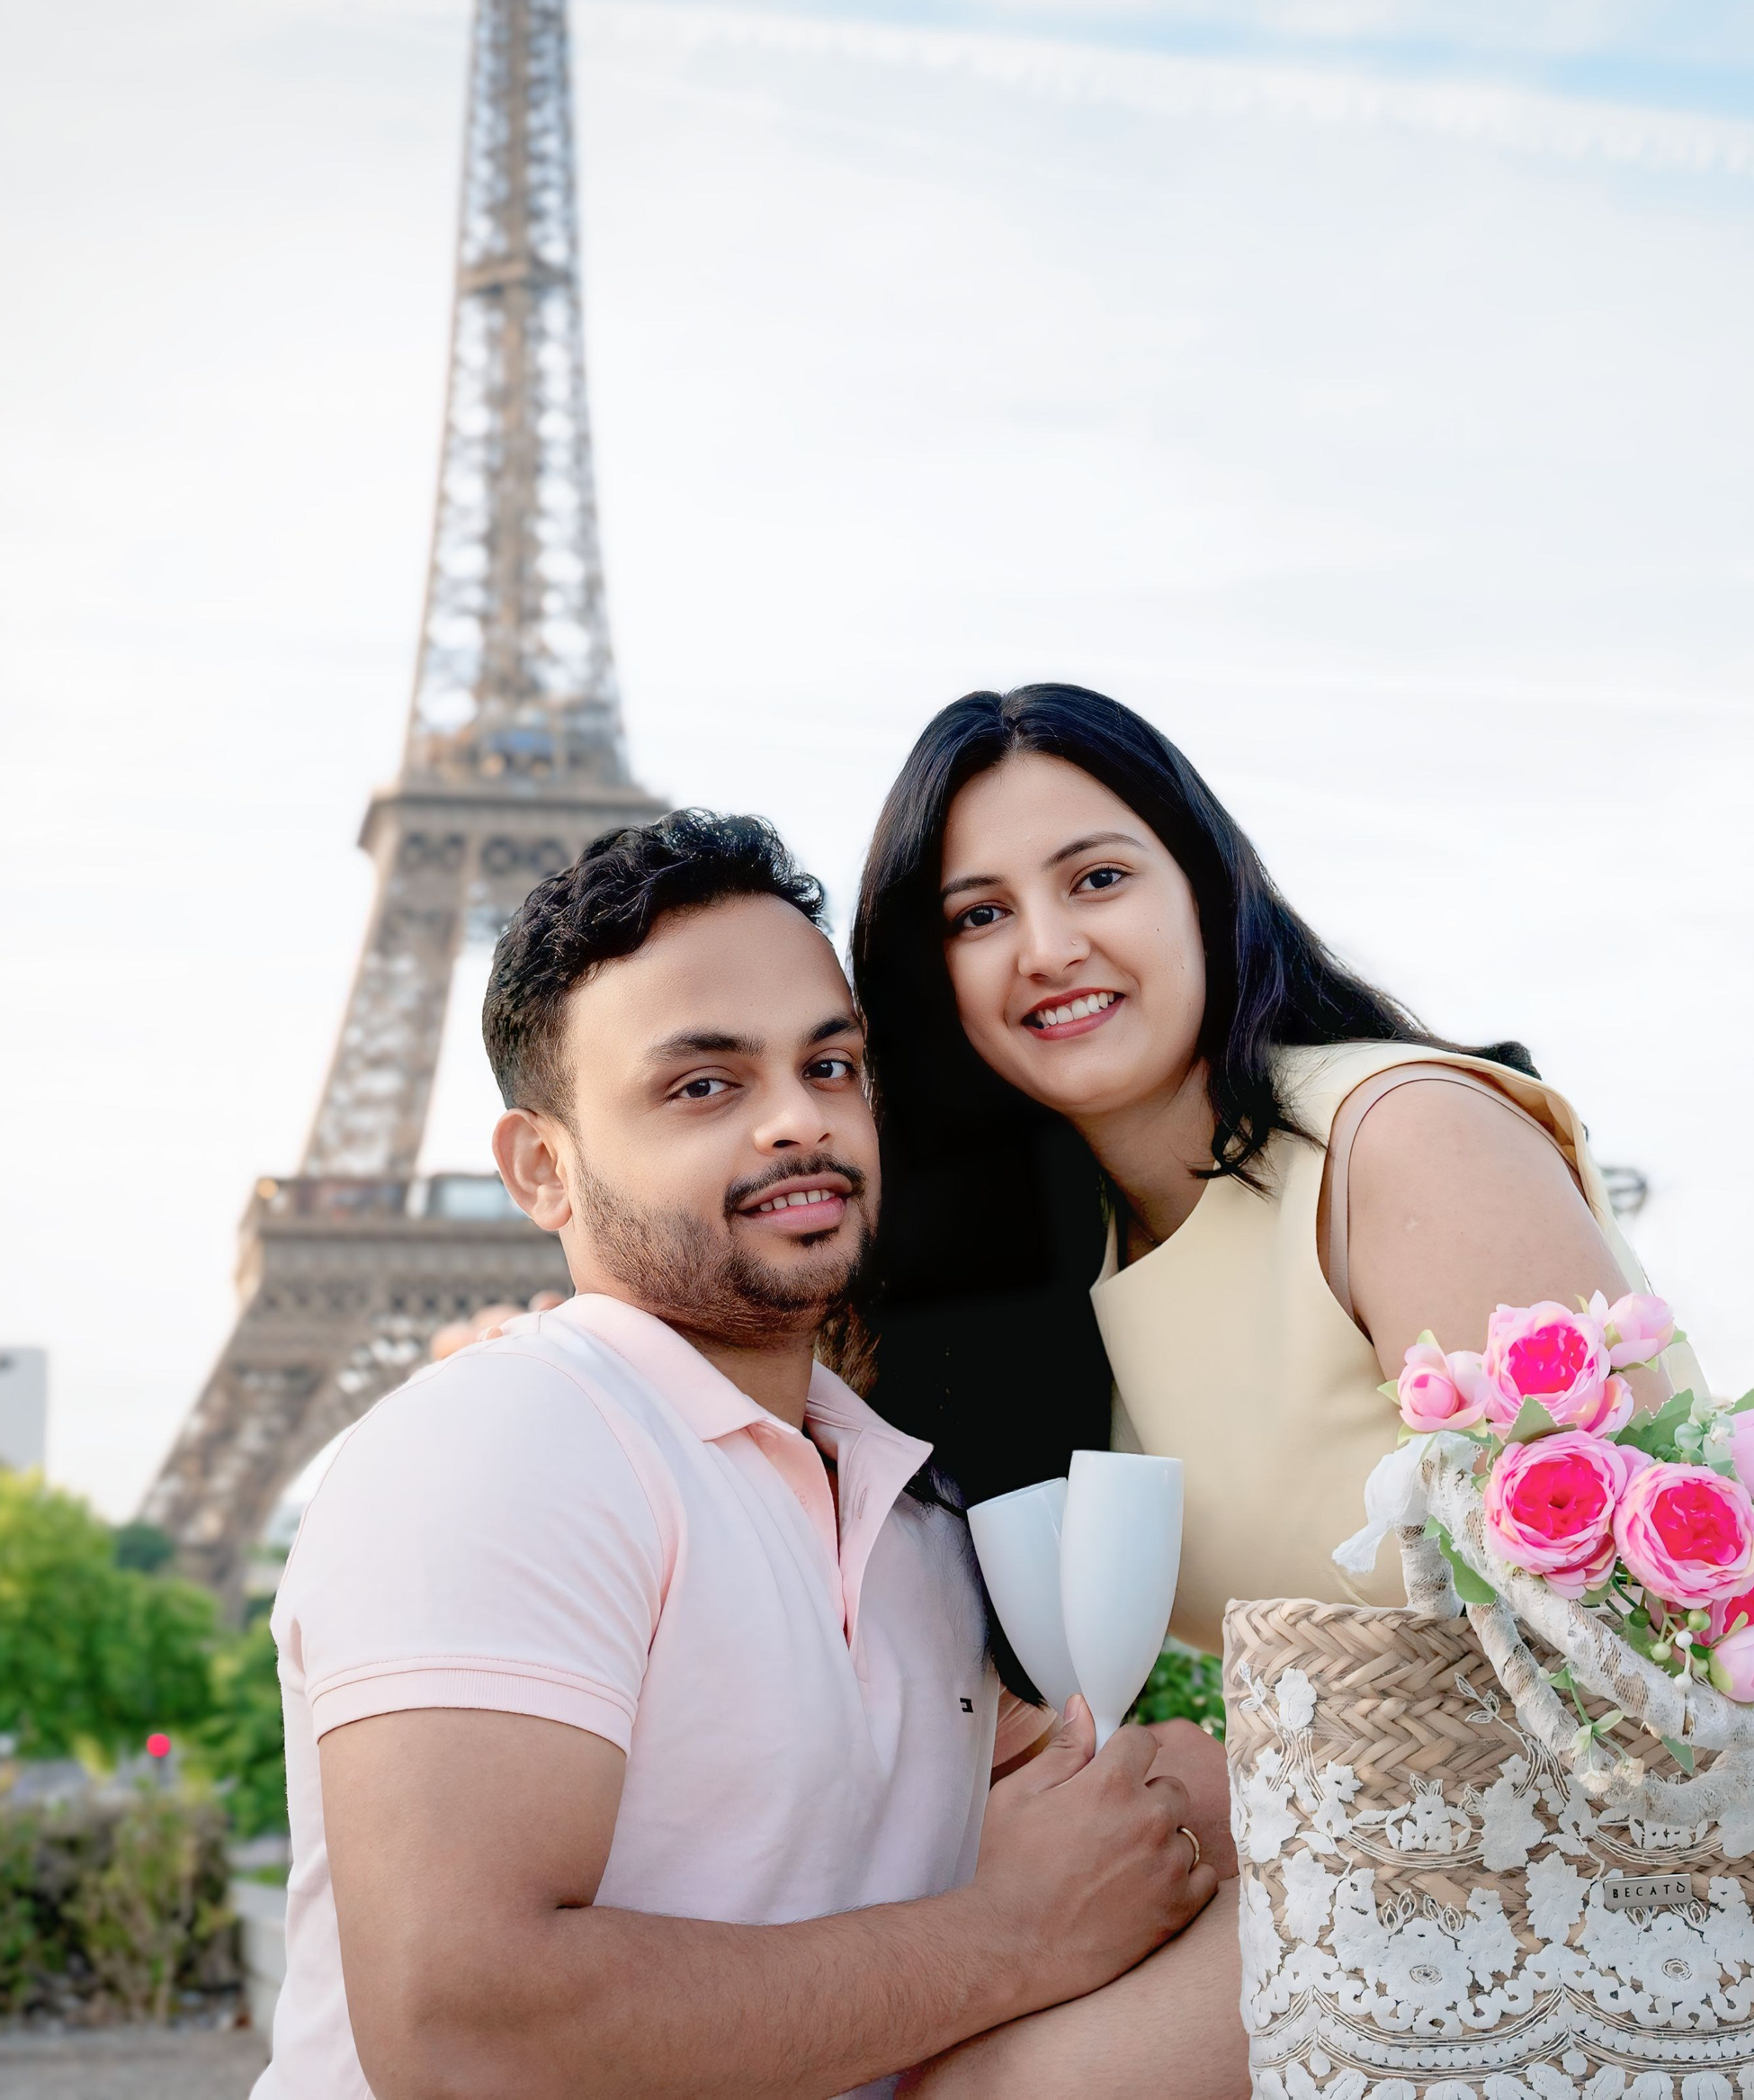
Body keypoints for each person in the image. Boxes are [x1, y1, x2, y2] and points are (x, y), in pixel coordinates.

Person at [254, 809, 1217, 2100]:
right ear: (543, 1169)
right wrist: (1015, 1937)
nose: (795, 1123)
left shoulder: (910, 1506)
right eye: (705, 1085)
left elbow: (1083, 1821)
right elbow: (470, 2036)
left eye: (830, 1068)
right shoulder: (502, 1444)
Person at [853, 684, 1709, 2096]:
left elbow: (1637, 1653)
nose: (1049, 947)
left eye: (1099, 878)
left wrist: (1226, 1791)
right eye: (976, 913)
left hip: (1587, 1850)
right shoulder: (1057, 1263)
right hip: (1364, 1839)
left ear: (1209, 885)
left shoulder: (1397, 1143)